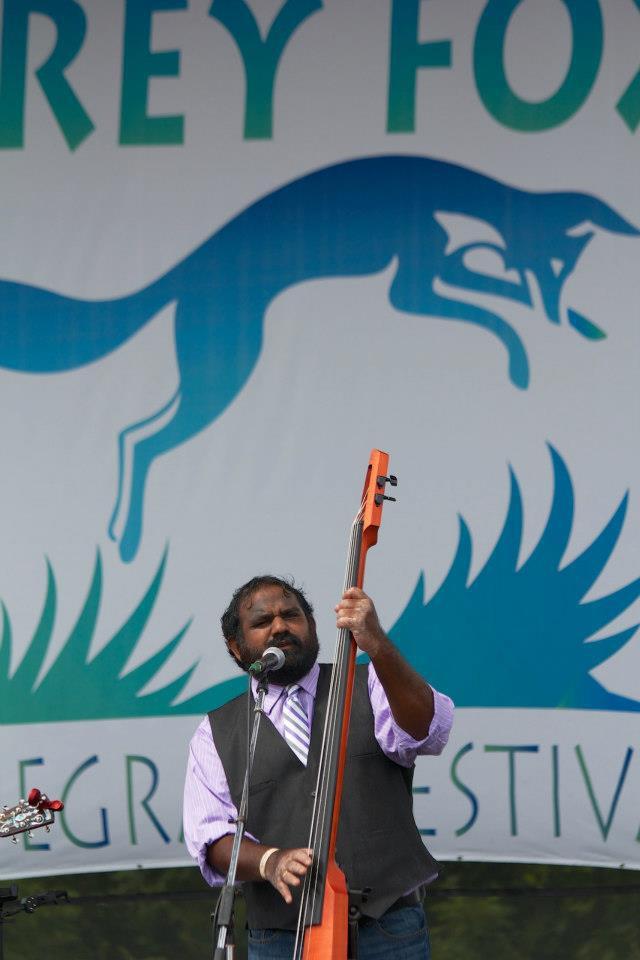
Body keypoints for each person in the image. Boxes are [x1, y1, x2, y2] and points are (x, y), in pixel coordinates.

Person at [183, 575, 454, 959]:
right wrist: (269, 861)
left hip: (388, 928)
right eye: (262, 622)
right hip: (281, 938)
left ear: (311, 624)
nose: (280, 626)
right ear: (236, 647)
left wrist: (378, 646)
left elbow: (429, 730)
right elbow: (211, 839)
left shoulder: (370, 682)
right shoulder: (216, 733)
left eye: (291, 615)